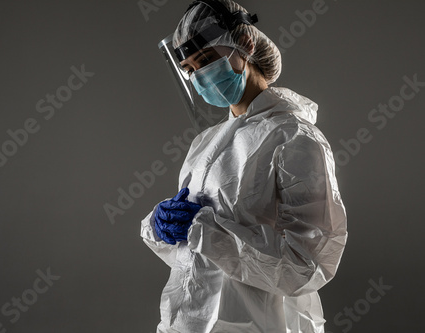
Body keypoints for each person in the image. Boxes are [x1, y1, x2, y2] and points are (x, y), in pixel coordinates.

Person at [140, 1, 348, 332]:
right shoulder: (205, 143)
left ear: (246, 45)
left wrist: (204, 230)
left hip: (260, 323)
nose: (199, 76)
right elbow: (194, 258)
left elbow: (307, 265)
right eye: (191, 69)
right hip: (190, 321)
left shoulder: (295, 138)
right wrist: (161, 226)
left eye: (206, 60)